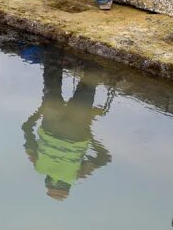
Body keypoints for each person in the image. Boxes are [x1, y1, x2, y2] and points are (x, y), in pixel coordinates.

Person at [21, 56, 112, 201]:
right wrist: (40, 110)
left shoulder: (76, 174)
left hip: (76, 131)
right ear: (47, 179)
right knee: (52, 86)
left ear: (68, 185)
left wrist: (89, 134)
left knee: (87, 89)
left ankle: (91, 65)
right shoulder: (38, 165)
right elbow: (26, 129)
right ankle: (54, 54)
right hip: (51, 124)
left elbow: (104, 158)